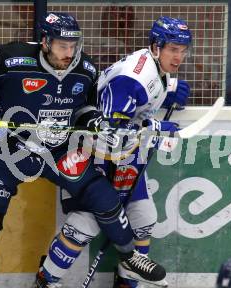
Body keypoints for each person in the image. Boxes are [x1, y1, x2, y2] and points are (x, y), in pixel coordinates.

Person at [0, 12, 167, 288]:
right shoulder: (14, 58)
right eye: (62, 45)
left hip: (59, 151)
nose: (69, 53)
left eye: (73, 46)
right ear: (45, 42)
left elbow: (86, 107)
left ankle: (130, 257)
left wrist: (96, 122)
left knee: (105, 198)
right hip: (5, 150)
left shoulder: (85, 69)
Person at [38, 16, 192, 288]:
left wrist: (169, 89)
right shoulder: (134, 79)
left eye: (182, 50)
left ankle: (127, 279)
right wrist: (154, 126)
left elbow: (139, 100)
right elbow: (109, 132)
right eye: (172, 50)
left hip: (125, 153)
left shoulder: (152, 68)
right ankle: (46, 278)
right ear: (156, 47)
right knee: (86, 223)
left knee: (144, 218)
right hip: (91, 151)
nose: (178, 57)